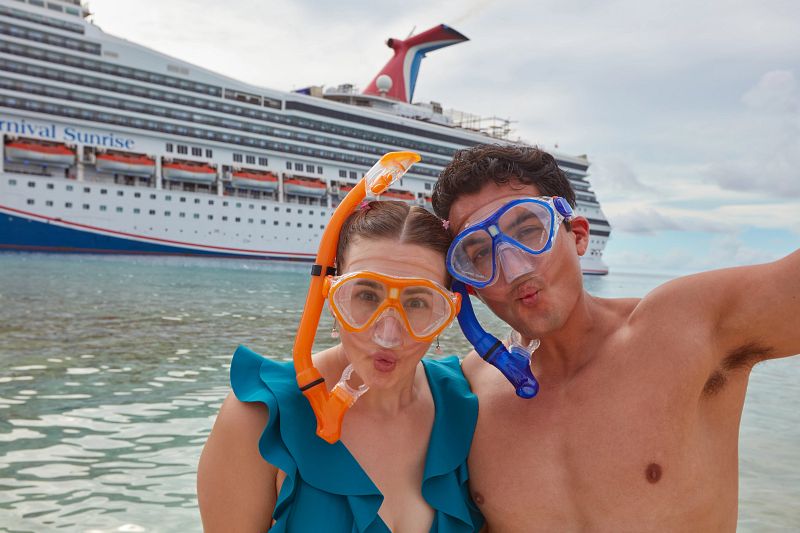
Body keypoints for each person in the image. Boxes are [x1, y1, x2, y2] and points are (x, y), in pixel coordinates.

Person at [431, 144, 800, 532]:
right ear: (468, 286)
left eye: (529, 230)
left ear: (577, 235)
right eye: (480, 254)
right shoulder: (466, 394)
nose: (514, 269)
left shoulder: (683, 329)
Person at [197, 201, 484, 532]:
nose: (388, 335)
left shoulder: (466, 407)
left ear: (447, 313)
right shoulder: (260, 417)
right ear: (331, 297)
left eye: (417, 303)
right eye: (365, 296)